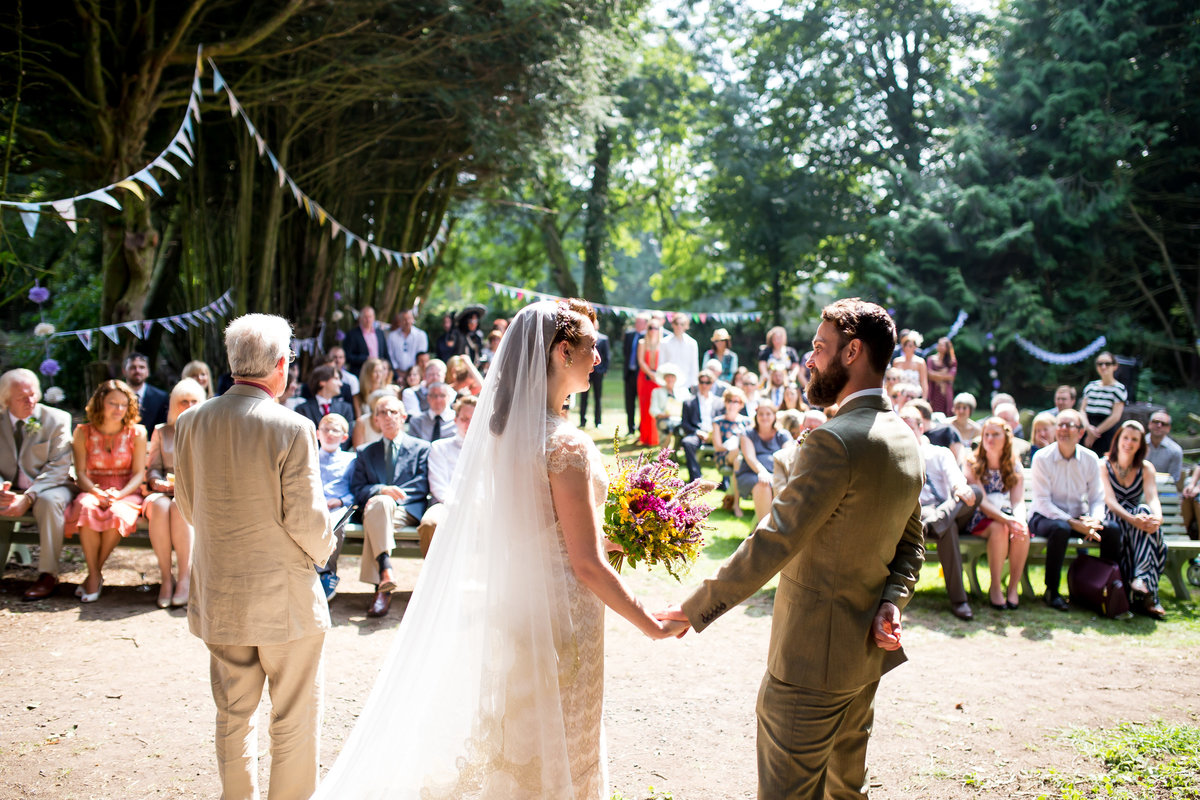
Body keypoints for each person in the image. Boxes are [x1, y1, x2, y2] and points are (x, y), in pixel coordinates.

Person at [310, 299, 680, 799]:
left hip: (515, 605)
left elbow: (538, 527)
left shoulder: (506, 436)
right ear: (562, 351)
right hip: (564, 615)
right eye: (592, 347)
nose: (598, 359)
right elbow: (586, 564)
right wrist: (649, 623)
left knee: (520, 738)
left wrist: (615, 536)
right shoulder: (566, 446)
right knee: (565, 742)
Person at [662, 298, 924, 800]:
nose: (809, 358)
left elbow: (774, 539)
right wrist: (892, 601)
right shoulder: (905, 439)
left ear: (852, 352)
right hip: (862, 661)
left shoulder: (835, 442)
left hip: (808, 665)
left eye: (820, 348)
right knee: (846, 791)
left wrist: (694, 609)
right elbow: (913, 545)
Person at [174, 313, 336, 800]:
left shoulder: (190, 422)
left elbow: (188, 502)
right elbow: (307, 520)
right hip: (283, 597)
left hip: (220, 590)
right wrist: (329, 549)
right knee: (294, 715)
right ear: (281, 365)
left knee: (232, 714)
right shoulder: (292, 426)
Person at [1028, 409, 1122, 611]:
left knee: (1112, 530)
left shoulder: (1090, 459)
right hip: (1045, 516)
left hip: (1080, 518)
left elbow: (1097, 497)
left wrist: (1094, 521)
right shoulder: (1042, 458)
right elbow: (1042, 501)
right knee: (1060, 529)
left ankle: (1105, 587)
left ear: (1080, 432)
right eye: (1060, 425)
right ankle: (1051, 591)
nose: (1063, 429)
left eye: (1068, 425)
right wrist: (1073, 523)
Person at [65, 380, 148, 602]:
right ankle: (95, 574)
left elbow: (139, 474)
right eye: (113, 403)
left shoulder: (137, 433)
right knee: (86, 508)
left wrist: (118, 496)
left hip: (126, 490)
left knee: (118, 513)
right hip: (93, 488)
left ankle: (93, 575)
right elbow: (80, 473)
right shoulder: (83, 432)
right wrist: (97, 493)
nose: (118, 409)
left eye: (123, 405)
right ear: (101, 402)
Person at [349, 395, 430, 618]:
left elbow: (423, 484)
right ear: (375, 419)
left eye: (393, 412)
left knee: (379, 514)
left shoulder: (421, 448)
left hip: (406, 510)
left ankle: (383, 583)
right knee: (380, 505)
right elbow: (358, 489)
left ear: (403, 416)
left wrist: (393, 496)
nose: (388, 417)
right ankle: (385, 576)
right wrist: (381, 490)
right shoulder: (365, 452)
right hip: (377, 509)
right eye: (382, 412)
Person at [0, 369, 77, 601]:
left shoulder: (57, 419)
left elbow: (58, 467)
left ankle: (47, 575)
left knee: (48, 501)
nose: (30, 401)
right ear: (5, 400)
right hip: (9, 488)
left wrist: (29, 496)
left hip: (52, 486)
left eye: (33, 394)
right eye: (22, 397)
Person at [899, 405, 979, 620]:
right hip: (918, 514)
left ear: (921, 427)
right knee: (948, 528)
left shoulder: (939, 452)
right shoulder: (895, 456)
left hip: (945, 507)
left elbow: (955, 479)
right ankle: (959, 601)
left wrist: (959, 488)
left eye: (910, 428)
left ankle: (938, 522)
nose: (905, 433)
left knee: (975, 492)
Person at [143, 378, 205, 608]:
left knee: (180, 506)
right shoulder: (162, 431)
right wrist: (156, 482)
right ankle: (166, 578)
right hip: (164, 491)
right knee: (159, 505)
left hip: (193, 493)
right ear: (173, 404)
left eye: (194, 401)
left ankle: (184, 578)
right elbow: (153, 468)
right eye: (183, 401)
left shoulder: (208, 431)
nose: (188, 406)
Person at [1101, 421, 1167, 619]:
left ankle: (1141, 581)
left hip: (1138, 522)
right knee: (1144, 526)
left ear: (1140, 444)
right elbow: (1110, 501)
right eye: (1125, 438)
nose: (1129, 443)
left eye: (1134, 439)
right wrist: (1133, 519)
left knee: (1146, 512)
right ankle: (1148, 594)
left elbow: (1152, 497)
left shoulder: (1146, 468)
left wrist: (1157, 519)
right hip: (1114, 518)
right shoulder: (1103, 464)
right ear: (1118, 440)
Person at [964, 417, 1030, 611]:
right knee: (1001, 528)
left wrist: (1018, 520)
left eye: (995, 434)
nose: (989, 439)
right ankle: (995, 587)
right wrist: (1007, 520)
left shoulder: (1013, 465)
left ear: (1006, 438)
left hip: (1005, 514)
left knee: (1022, 531)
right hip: (979, 516)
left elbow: (1017, 501)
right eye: (986, 435)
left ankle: (1012, 588)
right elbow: (981, 501)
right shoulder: (972, 463)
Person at [417, 396, 476, 557]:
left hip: (478, 504)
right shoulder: (440, 447)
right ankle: (433, 577)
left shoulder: (487, 449)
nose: (468, 424)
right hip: (445, 504)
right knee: (430, 523)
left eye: (473, 419)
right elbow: (438, 486)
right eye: (464, 419)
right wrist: (457, 505)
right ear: (455, 420)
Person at [314, 413, 357, 601]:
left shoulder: (352, 460)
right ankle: (310, 574)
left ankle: (326, 574)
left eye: (335, 430)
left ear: (344, 437)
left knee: (334, 524)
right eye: (325, 429)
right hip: (313, 506)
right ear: (317, 434)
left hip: (339, 508)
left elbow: (357, 489)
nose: (330, 433)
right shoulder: (309, 456)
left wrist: (340, 500)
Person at [736, 403, 792, 524]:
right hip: (752, 473)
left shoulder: (783, 435)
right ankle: (764, 528)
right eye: (761, 414)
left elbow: (786, 457)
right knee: (764, 484)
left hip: (777, 474)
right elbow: (750, 457)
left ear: (774, 416)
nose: (764, 417)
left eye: (768, 414)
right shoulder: (747, 433)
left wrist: (775, 476)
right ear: (756, 416)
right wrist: (763, 472)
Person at [295, 366, 355, 446]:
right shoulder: (302, 410)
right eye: (336, 379)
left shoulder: (346, 408)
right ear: (322, 381)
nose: (340, 384)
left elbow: (348, 436)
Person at [1080, 351, 1127, 454]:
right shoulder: (1090, 387)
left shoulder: (1119, 389)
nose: (1103, 367)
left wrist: (1095, 433)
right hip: (1086, 430)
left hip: (1105, 433)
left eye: (1107, 364)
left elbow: (1115, 416)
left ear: (1115, 366)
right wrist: (1088, 428)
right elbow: (1082, 411)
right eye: (1100, 364)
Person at [680, 369, 722, 482]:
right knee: (687, 442)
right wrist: (697, 432)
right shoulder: (689, 402)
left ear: (712, 384)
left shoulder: (719, 402)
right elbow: (684, 424)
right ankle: (696, 478)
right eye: (701, 382)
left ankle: (726, 481)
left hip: (715, 434)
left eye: (707, 382)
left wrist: (714, 433)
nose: (704, 385)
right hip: (697, 433)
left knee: (728, 443)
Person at [713, 387, 749, 516]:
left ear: (741, 404)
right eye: (729, 400)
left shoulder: (746, 421)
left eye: (736, 401)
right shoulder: (718, 421)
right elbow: (717, 446)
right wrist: (732, 446)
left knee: (738, 461)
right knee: (737, 454)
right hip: (724, 456)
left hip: (740, 458)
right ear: (725, 402)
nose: (732, 404)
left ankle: (735, 503)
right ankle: (735, 504)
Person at [122, 352, 169, 429]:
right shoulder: (115, 396)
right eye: (133, 367)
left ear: (148, 372)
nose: (137, 371)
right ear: (124, 371)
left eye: (142, 367)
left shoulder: (161, 398)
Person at [636, 319, 664, 446]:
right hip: (645, 379)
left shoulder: (663, 344)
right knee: (645, 406)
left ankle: (656, 438)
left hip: (659, 379)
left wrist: (657, 375)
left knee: (656, 406)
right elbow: (641, 361)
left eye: (656, 328)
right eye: (651, 327)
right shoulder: (642, 343)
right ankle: (645, 437)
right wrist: (651, 374)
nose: (653, 330)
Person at [623, 312, 650, 437]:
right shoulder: (629, 335)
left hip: (642, 375)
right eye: (636, 322)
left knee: (642, 403)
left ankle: (641, 428)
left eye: (640, 322)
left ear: (646, 324)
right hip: (629, 374)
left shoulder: (648, 338)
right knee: (629, 402)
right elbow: (625, 353)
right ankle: (630, 428)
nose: (637, 324)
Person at [344, 305, 390, 377]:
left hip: (379, 374)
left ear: (374, 317)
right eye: (365, 317)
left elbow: (386, 354)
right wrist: (365, 358)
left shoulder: (380, 333)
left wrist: (394, 375)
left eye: (370, 317)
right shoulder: (352, 334)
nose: (368, 320)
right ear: (360, 318)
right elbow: (347, 356)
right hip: (361, 373)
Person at [649, 363, 689, 446]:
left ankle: (677, 449)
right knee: (668, 428)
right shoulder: (657, 392)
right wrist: (663, 415)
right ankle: (664, 452)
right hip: (665, 420)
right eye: (668, 376)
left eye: (672, 377)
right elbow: (653, 409)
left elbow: (689, 405)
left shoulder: (683, 392)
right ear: (664, 378)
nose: (670, 379)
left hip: (680, 419)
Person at [577, 328, 610, 428]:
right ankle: (582, 420)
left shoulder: (604, 339)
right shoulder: (583, 337)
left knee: (598, 397)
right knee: (583, 397)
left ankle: (598, 421)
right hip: (586, 372)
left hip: (598, 373)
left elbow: (607, 356)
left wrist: (603, 370)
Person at [660, 312, 700, 391]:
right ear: (672, 324)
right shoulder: (664, 342)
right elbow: (661, 364)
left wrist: (693, 383)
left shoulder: (692, 343)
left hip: (687, 385)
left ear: (686, 326)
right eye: (676, 323)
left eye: (682, 324)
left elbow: (694, 366)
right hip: (669, 385)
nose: (679, 326)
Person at [386, 309, 428, 376]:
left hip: (416, 374)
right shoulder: (392, 336)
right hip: (397, 374)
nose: (407, 322)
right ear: (399, 321)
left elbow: (422, 357)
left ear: (413, 319)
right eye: (404, 319)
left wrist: (412, 373)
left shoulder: (421, 335)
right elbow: (390, 355)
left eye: (409, 318)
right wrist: (397, 372)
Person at [1145, 410, 1183, 484]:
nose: (1159, 425)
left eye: (1164, 424)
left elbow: (1173, 480)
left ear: (1169, 428)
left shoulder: (1175, 451)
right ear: (1149, 424)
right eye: (1156, 422)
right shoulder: (1137, 445)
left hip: (1163, 489)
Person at [892, 330, 929, 400]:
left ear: (915, 347)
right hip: (899, 395)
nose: (907, 348)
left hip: (915, 396)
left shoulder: (920, 362)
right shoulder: (896, 361)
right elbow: (894, 381)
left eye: (910, 346)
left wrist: (924, 399)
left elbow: (924, 382)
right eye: (905, 345)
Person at [925, 337, 957, 414]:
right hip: (933, 391)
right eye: (939, 345)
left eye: (943, 345)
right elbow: (929, 375)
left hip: (945, 393)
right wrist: (944, 374)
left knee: (947, 412)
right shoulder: (931, 359)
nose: (940, 347)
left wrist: (936, 375)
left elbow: (951, 377)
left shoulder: (952, 361)